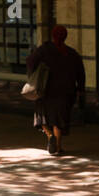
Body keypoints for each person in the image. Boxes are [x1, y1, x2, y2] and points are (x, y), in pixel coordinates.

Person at [26, 25, 86, 156]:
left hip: (46, 89)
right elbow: (81, 73)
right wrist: (81, 90)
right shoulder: (72, 53)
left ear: (53, 36)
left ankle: (49, 136)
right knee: (59, 119)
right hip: (66, 91)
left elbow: (30, 61)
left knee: (42, 116)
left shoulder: (44, 50)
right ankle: (58, 146)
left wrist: (33, 76)